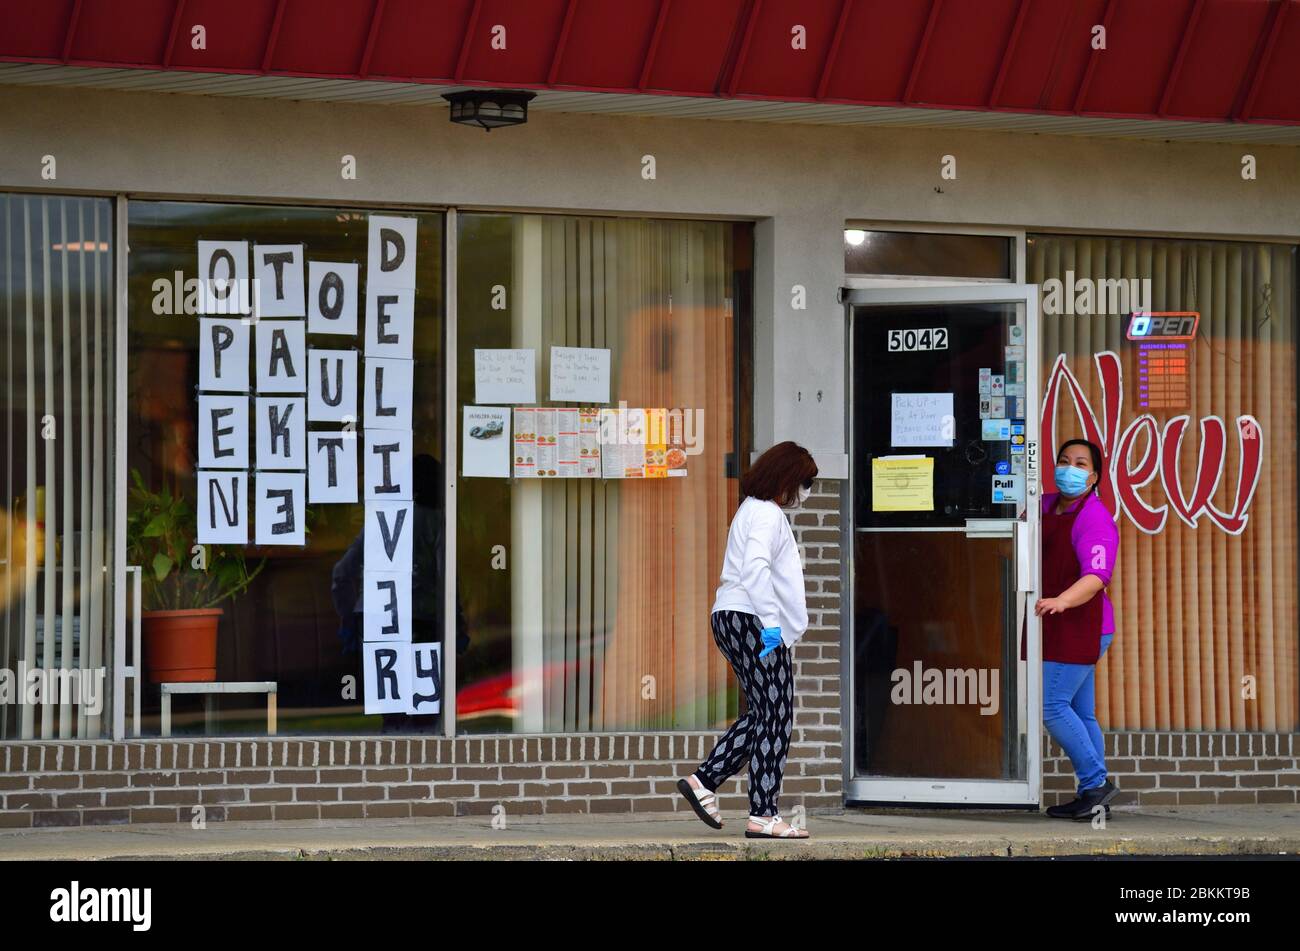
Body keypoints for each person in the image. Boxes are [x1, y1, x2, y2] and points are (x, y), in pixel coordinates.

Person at [677, 441, 817, 839]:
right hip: (752, 620)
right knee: (776, 717)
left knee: (765, 714)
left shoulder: (751, 511)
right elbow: (755, 569)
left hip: (736, 617)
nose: (805, 493)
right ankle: (763, 813)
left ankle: (705, 783)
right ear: (787, 478)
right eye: (805, 483)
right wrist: (773, 627)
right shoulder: (766, 515)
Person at [331, 453, 469, 734]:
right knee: (425, 708)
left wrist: (349, 620)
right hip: (423, 618)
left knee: (390, 706)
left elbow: (342, 573)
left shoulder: (381, 521)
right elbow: (446, 578)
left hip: (377, 619)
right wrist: (456, 621)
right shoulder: (437, 522)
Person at [1033, 438, 1120, 819]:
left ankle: (1096, 783)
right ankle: (1092, 798)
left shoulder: (1095, 518)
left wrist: (1062, 601)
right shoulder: (1046, 504)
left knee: (1052, 706)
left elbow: (1097, 576)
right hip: (1059, 622)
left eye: (1081, 463)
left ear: (1095, 475)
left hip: (1082, 624)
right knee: (1082, 713)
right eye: (1065, 461)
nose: (1070, 469)